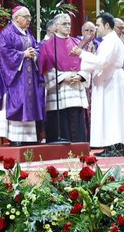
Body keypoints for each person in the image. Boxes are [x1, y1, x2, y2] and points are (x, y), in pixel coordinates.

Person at [70, 12, 124, 156]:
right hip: (110, 78)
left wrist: (81, 53)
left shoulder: (110, 41)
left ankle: (114, 148)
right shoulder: (110, 40)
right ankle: (113, 147)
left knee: (111, 113)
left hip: (111, 80)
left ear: (107, 25)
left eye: (98, 25)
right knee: (111, 113)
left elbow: (102, 61)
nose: (96, 29)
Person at [0, 6, 45, 145]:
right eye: (26, 17)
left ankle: (29, 138)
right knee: (17, 103)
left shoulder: (28, 33)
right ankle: (15, 138)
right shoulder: (6, 34)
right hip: (14, 80)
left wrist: (35, 54)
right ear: (16, 18)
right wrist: (23, 55)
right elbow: (3, 54)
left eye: (29, 17)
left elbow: (36, 47)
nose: (29, 20)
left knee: (29, 103)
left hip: (29, 78)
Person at [38, 13, 89, 144]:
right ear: (56, 26)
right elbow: (46, 68)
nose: (68, 26)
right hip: (59, 88)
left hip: (76, 87)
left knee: (76, 120)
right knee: (61, 122)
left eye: (69, 24)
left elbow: (87, 63)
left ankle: (78, 148)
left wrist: (80, 76)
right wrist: (63, 77)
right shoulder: (48, 45)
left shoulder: (77, 43)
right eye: (64, 24)